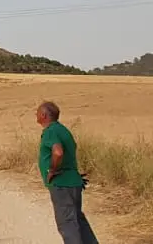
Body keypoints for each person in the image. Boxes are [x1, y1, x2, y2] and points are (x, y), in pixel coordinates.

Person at [37, 101, 98, 244]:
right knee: (78, 220)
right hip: (73, 182)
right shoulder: (62, 130)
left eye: (37, 112)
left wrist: (52, 170)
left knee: (67, 224)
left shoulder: (50, 131)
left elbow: (58, 152)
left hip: (61, 184)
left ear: (44, 115)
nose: (36, 115)